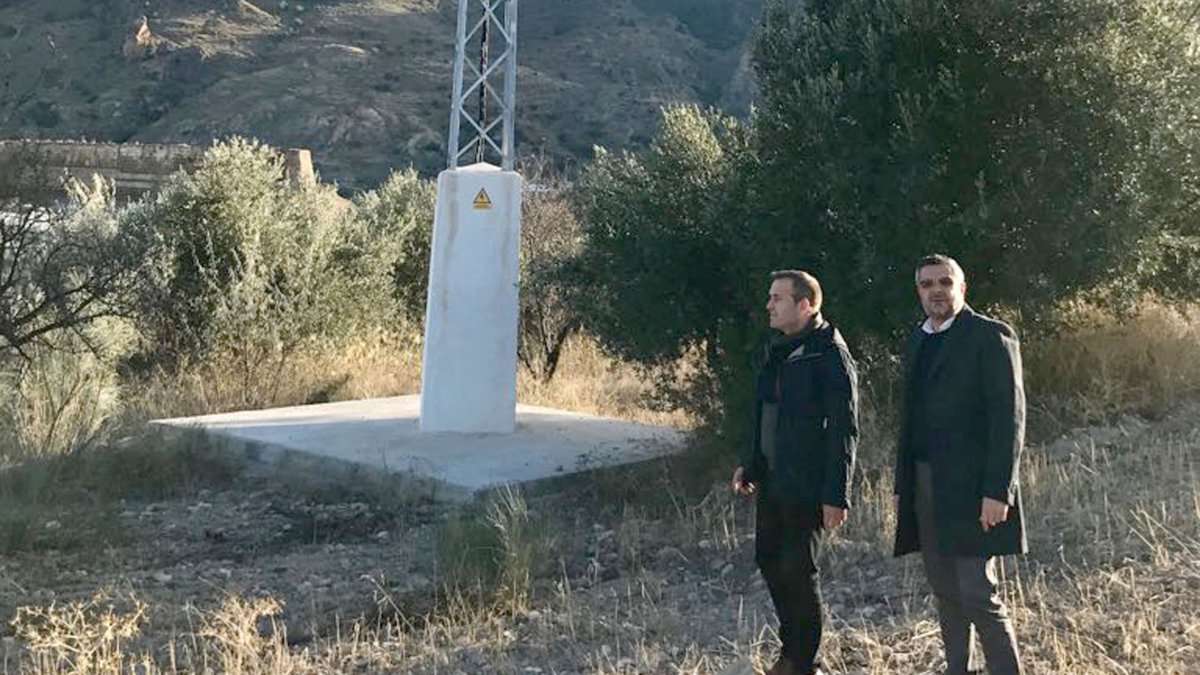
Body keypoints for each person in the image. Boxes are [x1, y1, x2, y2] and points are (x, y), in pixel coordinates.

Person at [892, 254, 1027, 675]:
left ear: (961, 289)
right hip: (926, 484)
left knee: (977, 594)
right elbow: (909, 421)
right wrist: (903, 487)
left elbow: (1009, 420)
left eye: (944, 282)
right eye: (927, 284)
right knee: (945, 591)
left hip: (974, 490)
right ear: (919, 292)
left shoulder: (990, 336)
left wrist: (997, 492)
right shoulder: (917, 340)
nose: (936, 291)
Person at [731, 269, 858, 675]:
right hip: (773, 479)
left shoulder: (829, 354)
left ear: (806, 304)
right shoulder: (778, 348)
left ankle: (803, 663)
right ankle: (792, 653)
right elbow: (765, 414)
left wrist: (836, 494)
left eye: (777, 298)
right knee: (769, 560)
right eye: (770, 297)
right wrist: (752, 463)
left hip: (808, 484)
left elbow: (844, 429)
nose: (769, 305)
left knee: (799, 572)